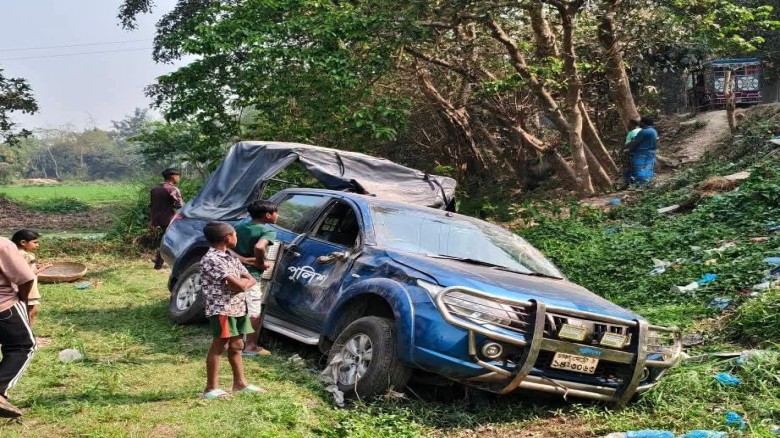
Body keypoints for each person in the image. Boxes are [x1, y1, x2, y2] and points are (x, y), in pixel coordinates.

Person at [200, 222, 265, 399]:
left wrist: (241, 284)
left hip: (237, 307)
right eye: (235, 234)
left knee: (237, 345)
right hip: (222, 309)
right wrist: (241, 284)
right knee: (220, 345)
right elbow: (239, 283)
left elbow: (248, 279)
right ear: (228, 238)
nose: (236, 237)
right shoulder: (211, 259)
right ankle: (211, 388)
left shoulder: (230, 256)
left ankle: (240, 383)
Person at [233, 200, 279, 356]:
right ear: (268, 215)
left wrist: (241, 259)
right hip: (251, 276)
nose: (277, 216)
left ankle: (233, 341)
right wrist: (259, 263)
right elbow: (259, 247)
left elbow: (226, 247)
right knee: (253, 310)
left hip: (234, 273)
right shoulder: (267, 231)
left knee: (235, 307)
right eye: (275, 213)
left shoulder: (239, 227)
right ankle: (251, 346)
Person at [0, 235, 37, 417]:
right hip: (4, 307)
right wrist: (21, 299)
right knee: (22, 346)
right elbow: (26, 278)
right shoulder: (3, 244)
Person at [11, 230, 52, 327]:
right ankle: (29, 333)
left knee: (23, 310)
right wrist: (42, 268)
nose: (37, 245)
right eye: (35, 242)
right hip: (28, 288)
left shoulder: (14, 253)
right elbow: (26, 274)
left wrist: (35, 267)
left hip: (17, 287)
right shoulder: (27, 255)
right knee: (31, 311)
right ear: (23, 242)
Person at [149, 168, 185, 270]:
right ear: (173, 177)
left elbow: (152, 205)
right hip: (169, 219)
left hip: (158, 219)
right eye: (178, 176)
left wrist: (151, 220)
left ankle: (158, 263)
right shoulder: (173, 189)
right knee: (172, 240)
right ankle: (161, 264)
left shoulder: (155, 188)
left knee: (165, 239)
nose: (179, 178)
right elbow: (180, 206)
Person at [625, 116, 658, 185]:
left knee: (639, 169)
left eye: (641, 122)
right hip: (651, 153)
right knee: (648, 168)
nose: (639, 123)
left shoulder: (643, 132)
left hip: (641, 153)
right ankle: (649, 183)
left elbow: (636, 143)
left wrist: (629, 150)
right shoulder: (654, 131)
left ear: (643, 123)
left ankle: (642, 184)